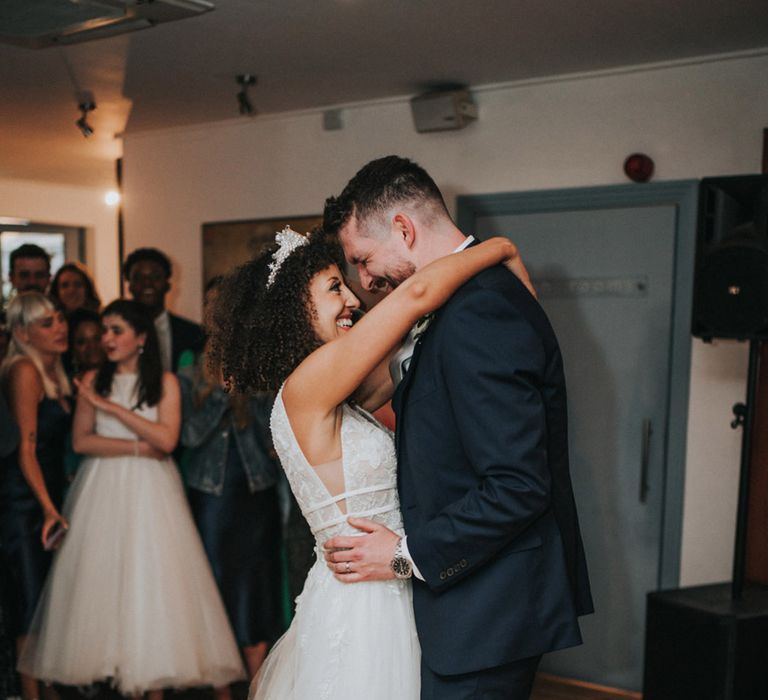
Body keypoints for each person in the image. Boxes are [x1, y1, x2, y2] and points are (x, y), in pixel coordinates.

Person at [208, 225, 531, 699]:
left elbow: (412, 341)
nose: (353, 299)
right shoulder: (307, 385)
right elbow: (417, 296)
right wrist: (499, 248)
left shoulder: (336, 390)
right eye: (335, 287)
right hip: (365, 605)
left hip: (384, 583)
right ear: (293, 310)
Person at [321, 155, 594, 700]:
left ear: (403, 228)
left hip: (487, 609)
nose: (364, 280)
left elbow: (519, 484)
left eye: (362, 259)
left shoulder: (478, 311)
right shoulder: (466, 299)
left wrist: (405, 554)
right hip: (476, 602)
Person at [17, 299, 245, 699]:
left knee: (153, 582)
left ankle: (153, 685)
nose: (106, 339)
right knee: (104, 585)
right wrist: (140, 445)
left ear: (141, 338)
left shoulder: (166, 383)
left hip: (153, 493)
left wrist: (109, 409)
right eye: (105, 330)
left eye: (116, 331)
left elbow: (167, 439)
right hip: (101, 491)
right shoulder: (90, 378)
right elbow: (82, 440)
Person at [178, 277, 284, 683]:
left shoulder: (263, 363)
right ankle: (220, 682)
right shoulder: (192, 369)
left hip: (255, 492)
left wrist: (246, 387)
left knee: (255, 584)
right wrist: (223, 393)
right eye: (210, 306)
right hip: (210, 495)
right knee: (214, 582)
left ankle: (255, 679)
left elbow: (274, 434)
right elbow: (188, 436)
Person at [0, 293, 71, 700]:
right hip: (23, 502)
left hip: (45, 494)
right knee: (29, 602)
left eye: (59, 318)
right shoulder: (23, 369)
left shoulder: (54, 371)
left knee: (44, 601)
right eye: (47, 323)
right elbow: (25, 449)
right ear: (23, 333)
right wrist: (47, 508)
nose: (60, 327)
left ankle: (46, 688)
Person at [123, 247, 203, 371]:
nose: (147, 283)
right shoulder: (115, 334)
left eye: (155, 277)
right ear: (129, 287)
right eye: (139, 278)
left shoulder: (193, 334)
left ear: (168, 285)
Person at [63, 308, 105, 379]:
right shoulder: (66, 385)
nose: (92, 346)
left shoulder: (124, 376)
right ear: (72, 349)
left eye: (97, 338)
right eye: (82, 342)